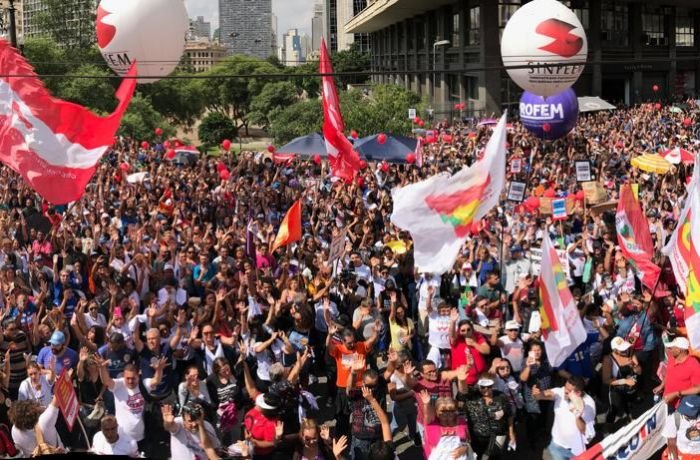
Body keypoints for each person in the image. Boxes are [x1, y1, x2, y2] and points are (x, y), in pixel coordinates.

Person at [532, 376, 596, 460]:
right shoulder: (561, 392)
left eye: (568, 391)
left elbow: (585, 431)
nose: (564, 391)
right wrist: (538, 394)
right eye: (565, 387)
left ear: (578, 393)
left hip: (575, 450)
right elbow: (544, 395)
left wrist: (578, 415)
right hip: (556, 446)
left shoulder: (589, 405)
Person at [654, 337, 700, 407]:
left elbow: (698, 388)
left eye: (671, 348)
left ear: (678, 350)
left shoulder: (693, 365)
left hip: (680, 405)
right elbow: (668, 373)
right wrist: (661, 386)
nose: (668, 350)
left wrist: (676, 394)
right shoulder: (671, 358)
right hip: (666, 399)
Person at [662, 395, 700, 460]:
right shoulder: (675, 418)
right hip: (682, 453)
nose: (685, 413)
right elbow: (671, 442)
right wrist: (675, 459)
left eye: (690, 412)